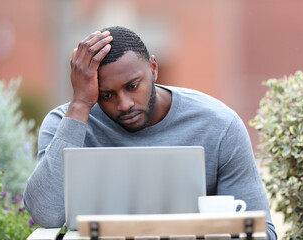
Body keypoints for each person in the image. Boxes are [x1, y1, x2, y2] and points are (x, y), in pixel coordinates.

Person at [24, 26, 277, 239]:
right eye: (106, 95)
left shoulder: (219, 125)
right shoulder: (66, 123)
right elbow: (46, 213)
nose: (124, 104)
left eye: (133, 86)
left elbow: (262, 231)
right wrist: (79, 105)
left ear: (153, 68)